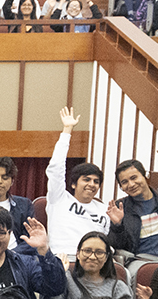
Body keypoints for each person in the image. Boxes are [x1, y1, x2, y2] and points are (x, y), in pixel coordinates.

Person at [45, 107, 111, 259]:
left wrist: (118, 224)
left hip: (96, 260)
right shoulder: (59, 198)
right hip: (64, 257)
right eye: (86, 180)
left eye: (96, 181)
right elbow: (56, 168)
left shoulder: (104, 210)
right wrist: (67, 130)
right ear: (73, 184)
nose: (92, 184)